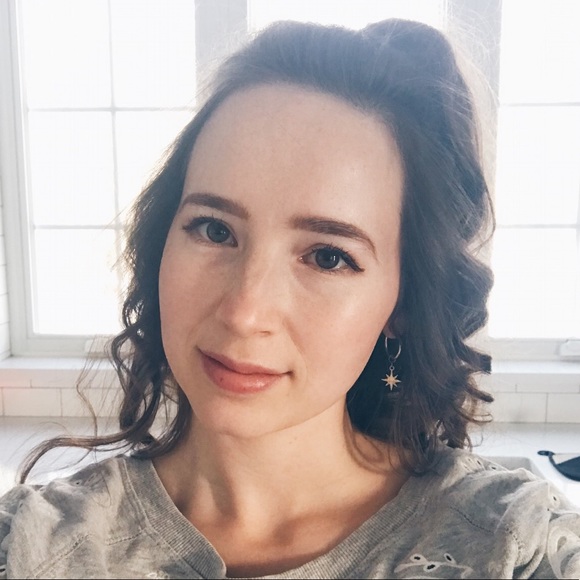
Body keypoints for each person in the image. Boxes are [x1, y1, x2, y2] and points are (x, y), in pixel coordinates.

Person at [1, 18, 579, 580]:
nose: (244, 312)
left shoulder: (517, 545)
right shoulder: (29, 546)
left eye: (327, 257)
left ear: (402, 303)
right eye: (214, 230)